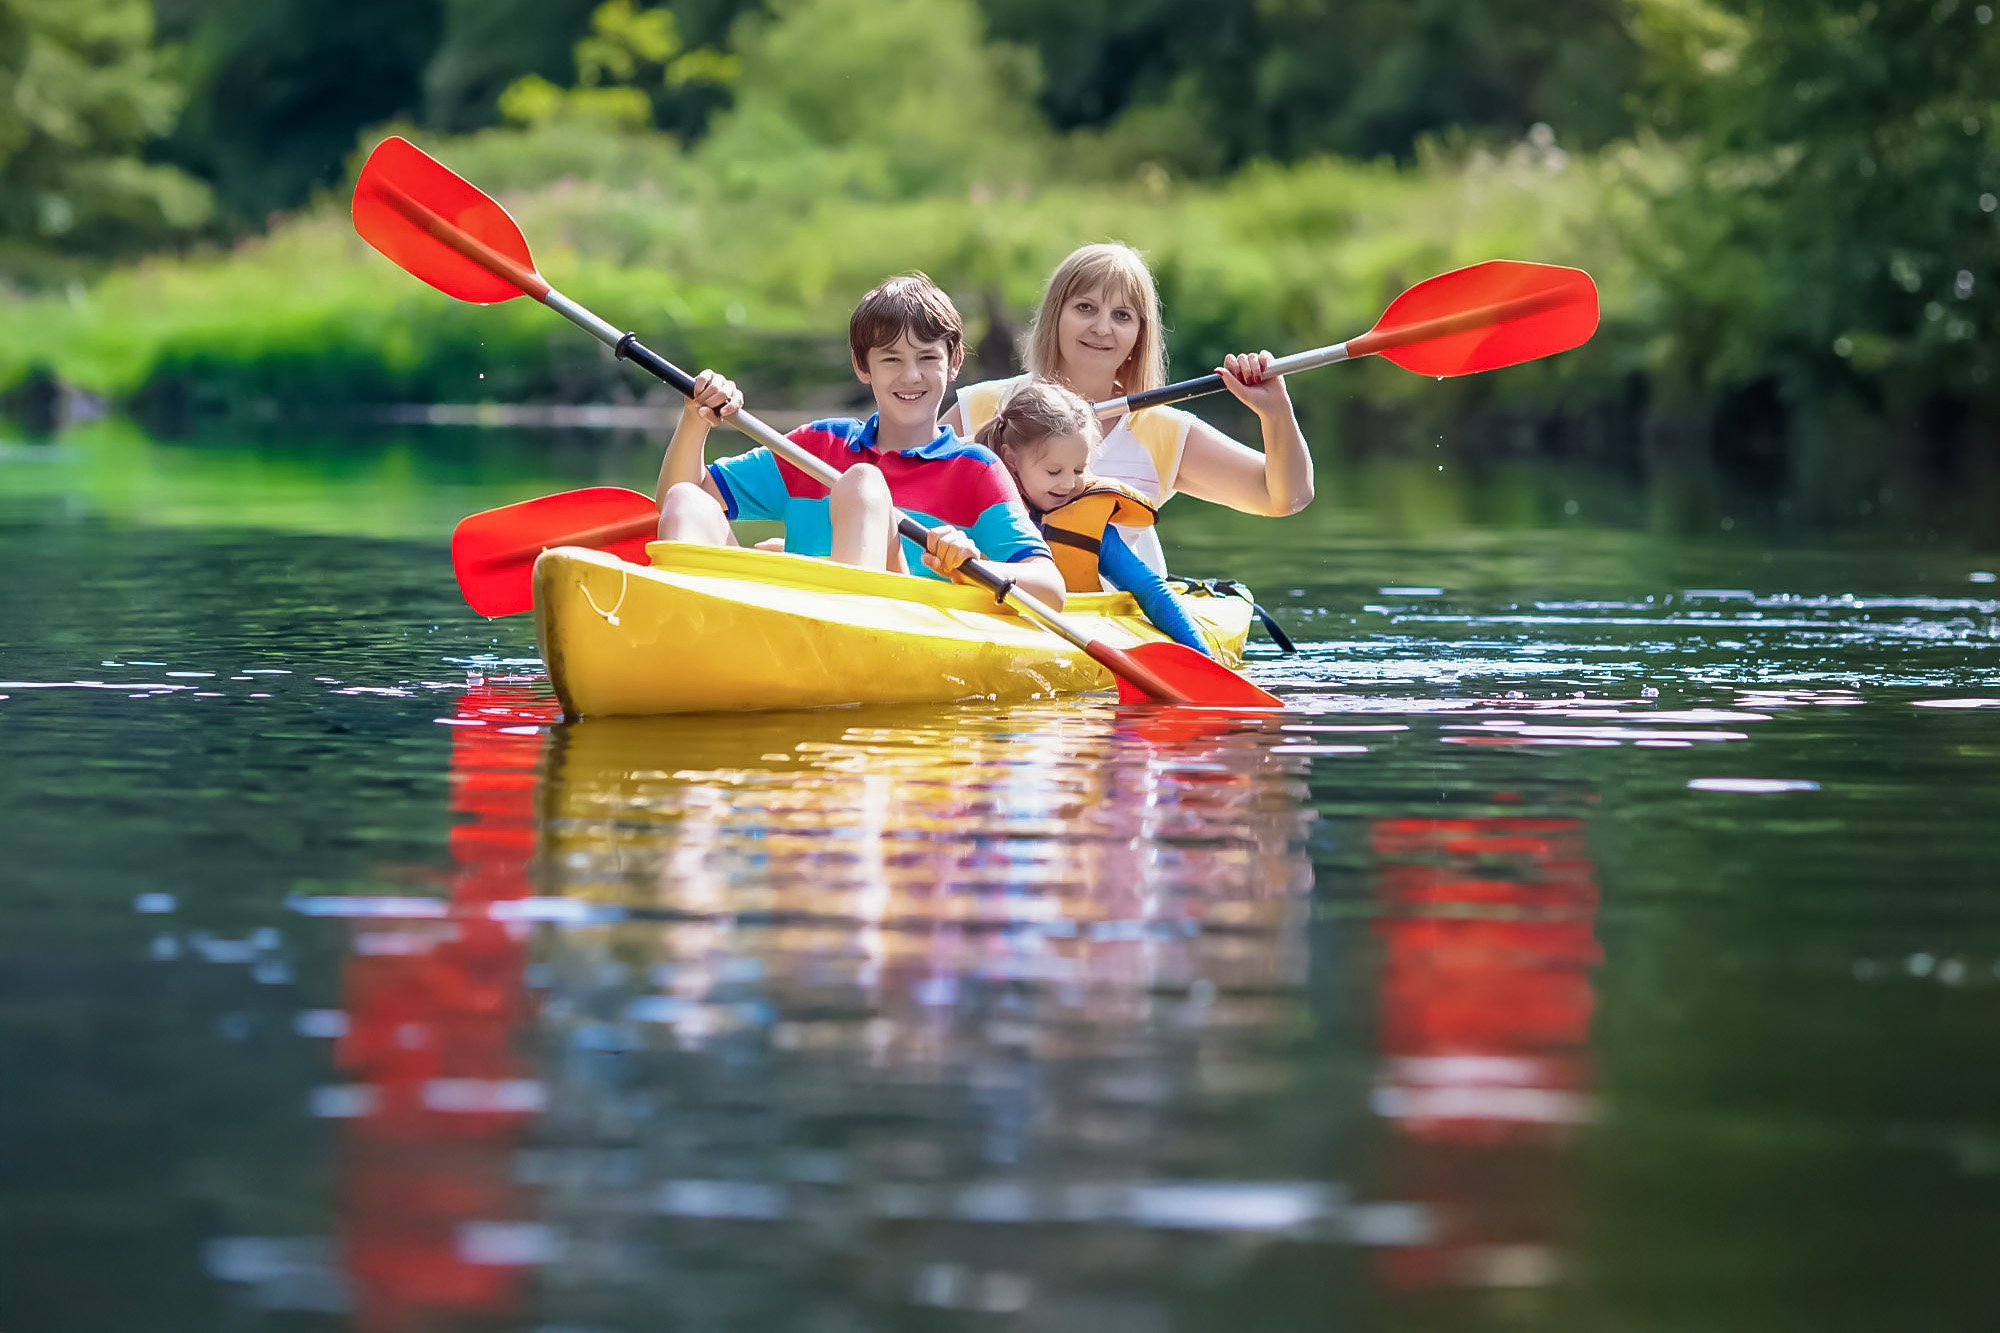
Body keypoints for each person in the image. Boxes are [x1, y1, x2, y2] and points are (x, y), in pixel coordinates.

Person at [654, 274, 1066, 609]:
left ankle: (838, 630)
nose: (910, 377)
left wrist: (974, 564)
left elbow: (1051, 588)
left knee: (863, 484)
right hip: (786, 628)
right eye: (891, 359)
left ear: (954, 362)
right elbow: (680, 500)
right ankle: (685, 636)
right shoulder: (818, 444)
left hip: (891, 632)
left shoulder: (976, 470)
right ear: (861, 365)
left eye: (927, 358)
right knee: (687, 500)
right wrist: (696, 419)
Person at [944, 242, 1313, 576]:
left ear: (1140, 335)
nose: (1102, 328)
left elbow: (1286, 497)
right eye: (1085, 308)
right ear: (1056, 316)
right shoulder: (984, 407)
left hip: (1117, 622)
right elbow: (900, 480)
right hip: (995, 604)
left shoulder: (1162, 431)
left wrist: (1275, 413)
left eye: (1122, 315)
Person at [974, 380, 1213, 656]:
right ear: (1011, 459)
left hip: (1064, 638)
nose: (1068, 484)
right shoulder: (979, 505)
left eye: (1079, 470)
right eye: (1054, 471)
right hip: (981, 624)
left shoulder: (1091, 526)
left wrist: (1203, 657)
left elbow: (1149, 590)